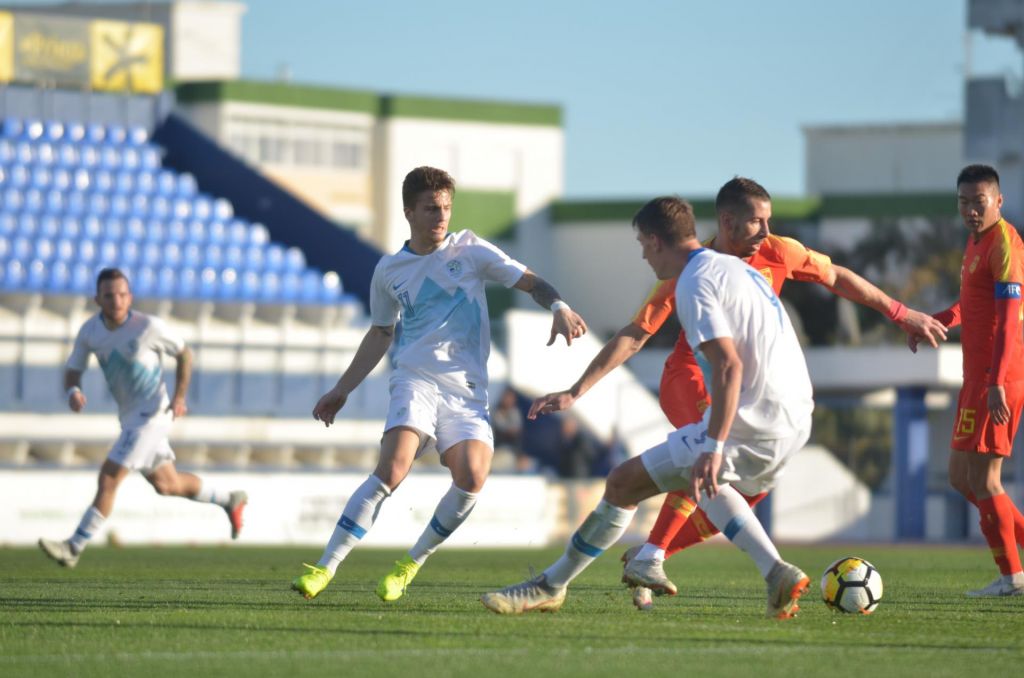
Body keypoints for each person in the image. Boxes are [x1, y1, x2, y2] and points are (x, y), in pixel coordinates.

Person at [529, 176, 947, 609]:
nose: (766, 233)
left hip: (745, 387)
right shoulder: (691, 266)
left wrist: (901, 313)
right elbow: (636, 334)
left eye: (769, 222)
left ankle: (652, 554)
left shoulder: (778, 251)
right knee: (708, 459)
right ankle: (664, 559)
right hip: (691, 375)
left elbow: (836, 276)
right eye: (755, 223)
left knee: (746, 486)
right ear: (727, 223)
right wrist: (577, 390)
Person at [482, 196, 815, 619]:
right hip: (797, 419)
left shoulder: (697, 281)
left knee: (624, 483)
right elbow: (641, 336)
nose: (642, 254)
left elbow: (728, 365)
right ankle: (766, 572)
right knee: (704, 483)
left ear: (656, 241)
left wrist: (713, 445)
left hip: (755, 417)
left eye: (642, 244)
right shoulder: (735, 268)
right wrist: (575, 392)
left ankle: (550, 586)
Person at [291, 166, 588, 601]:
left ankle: (410, 564)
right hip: (416, 378)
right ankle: (324, 568)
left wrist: (558, 305)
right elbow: (380, 332)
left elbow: (528, 280)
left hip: (467, 391)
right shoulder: (389, 270)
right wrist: (343, 388)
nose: (441, 216)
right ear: (409, 211)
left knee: (473, 475)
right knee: (392, 468)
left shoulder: (470, 250)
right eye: (432, 208)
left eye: (447, 207)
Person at [38, 268, 247, 568]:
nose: (116, 300)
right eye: (109, 295)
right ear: (97, 299)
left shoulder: (147, 326)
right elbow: (74, 367)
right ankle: (229, 499)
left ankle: (73, 546)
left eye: (122, 294)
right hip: (130, 418)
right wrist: (73, 389)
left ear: (130, 296)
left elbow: (185, 354)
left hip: (152, 416)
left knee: (109, 478)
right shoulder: (90, 332)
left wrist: (179, 396)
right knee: (168, 484)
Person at [911, 164, 1024, 596]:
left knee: (987, 480)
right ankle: (1014, 557)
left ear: (998, 200)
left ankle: (1012, 577)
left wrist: (996, 380)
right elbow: (970, 302)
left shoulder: (1005, 245)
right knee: (961, 477)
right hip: (976, 378)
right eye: (963, 202)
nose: (971, 211)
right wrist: (933, 321)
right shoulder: (974, 241)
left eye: (979, 202)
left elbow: (1011, 320)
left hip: (1000, 378)